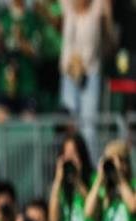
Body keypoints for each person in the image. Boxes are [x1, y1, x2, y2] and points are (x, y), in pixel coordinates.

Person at [59, 0, 114, 157]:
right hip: (68, 74)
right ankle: (68, 161)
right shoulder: (67, 6)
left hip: (90, 73)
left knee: (88, 127)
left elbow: (110, 38)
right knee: (68, 124)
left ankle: (88, 164)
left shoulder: (98, 6)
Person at [0, 0, 40, 122]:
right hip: (5, 82)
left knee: (28, 122)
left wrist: (20, 40)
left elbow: (36, 52)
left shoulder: (31, 19)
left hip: (26, 82)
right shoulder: (4, 18)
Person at [48, 133, 97, 221]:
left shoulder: (94, 179)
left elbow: (94, 211)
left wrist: (77, 181)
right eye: (66, 154)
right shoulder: (60, 186)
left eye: (74, 153)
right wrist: (58, 180)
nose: (70, 159)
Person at [85, 140, 136, 221]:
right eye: (110, 160)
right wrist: (99, 179)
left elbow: (133, 207)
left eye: (120, 160)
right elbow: (88, 212)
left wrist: (119, 178)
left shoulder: (133, 185)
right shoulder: (103, 189)